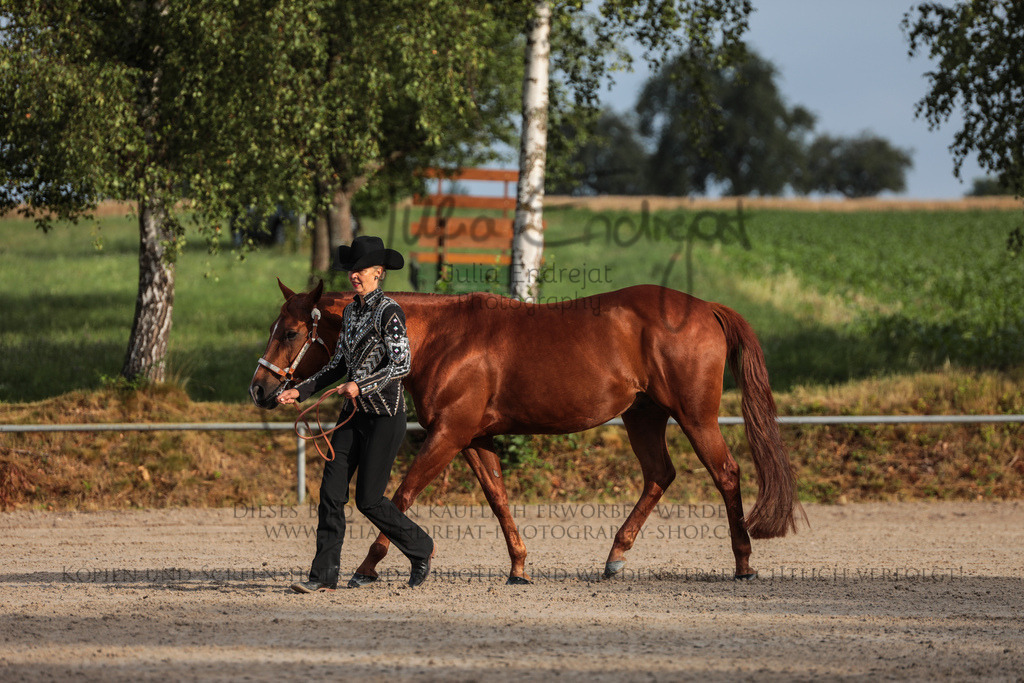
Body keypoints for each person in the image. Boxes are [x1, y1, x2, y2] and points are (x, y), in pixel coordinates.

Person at [277, 235, 434, 591]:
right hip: (351, 416)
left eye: (361, 269)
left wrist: (360, 386)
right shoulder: (350, 312)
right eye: (352, 269)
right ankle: (323, 577)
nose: (354, 275)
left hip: (384, 417)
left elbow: (401, 364)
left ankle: (421, 547)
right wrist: (300, 390)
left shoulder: (390, 312)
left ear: (378, 272)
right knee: (331, 493)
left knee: (369, 500)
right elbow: (338, 365)